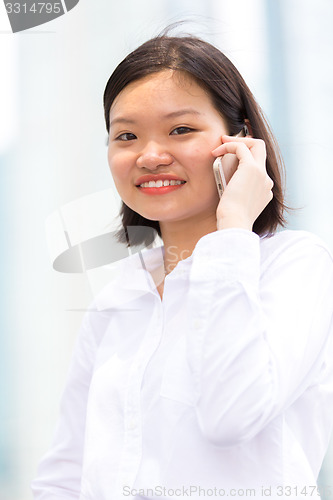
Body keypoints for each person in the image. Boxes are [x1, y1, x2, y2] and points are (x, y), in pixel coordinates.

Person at [31, 33, 333, 500]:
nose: (150, 156)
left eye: (180, 130)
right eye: (126, 135)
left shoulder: (293, 266)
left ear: (241, 141)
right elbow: (67, 472)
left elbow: (231, 415)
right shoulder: (118, 297)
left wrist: (233, 229)